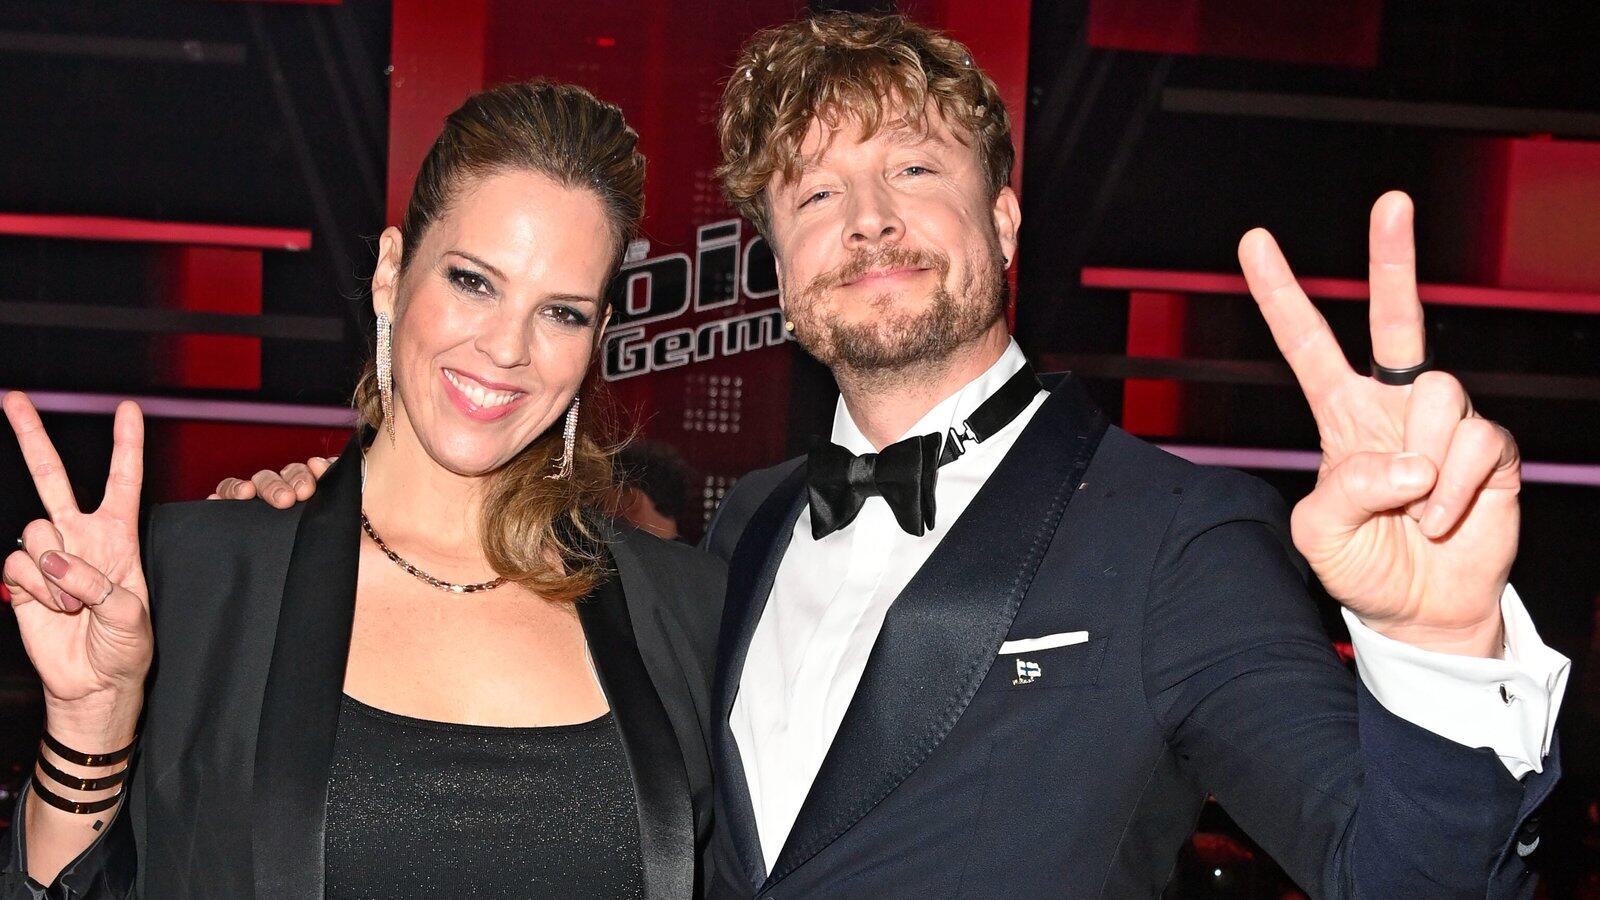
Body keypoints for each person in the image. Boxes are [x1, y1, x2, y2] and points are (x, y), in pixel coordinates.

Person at [218, 12, 1572, 899]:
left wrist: (1440, 651)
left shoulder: (1171, 533)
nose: (866, 218)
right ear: (775, 266)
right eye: (815, 191)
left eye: (914, 170)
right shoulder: (740, 532)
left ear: (1007, 217)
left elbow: (1405, 875)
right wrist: (315, 524)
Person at [0, 80, 722, 899]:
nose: (507, 347)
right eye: (473, 282)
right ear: (390, 274)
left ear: (598, 337)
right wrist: (88, 727)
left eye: (561, 313)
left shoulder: (688, 612)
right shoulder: (203, 578)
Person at [614, 440, 695, 542]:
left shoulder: (616, 549)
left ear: (633, 498)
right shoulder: (696, 551)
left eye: (603, 499)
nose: (601, 511)